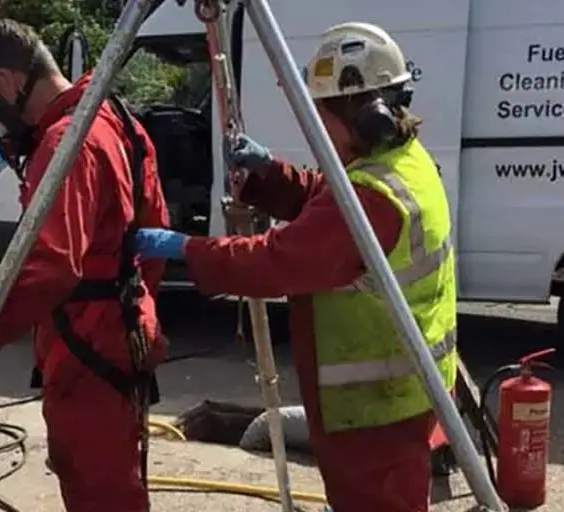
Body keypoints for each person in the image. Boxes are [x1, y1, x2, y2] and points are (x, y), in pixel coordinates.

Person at [136, 22, 457, 512]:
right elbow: (327, 200)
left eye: (322, 115)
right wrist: (269, 175)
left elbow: (277, 261)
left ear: (366, 114)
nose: (319, 129)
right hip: (400, 397)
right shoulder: (398, 163)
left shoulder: (377, 197)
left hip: (376, 411)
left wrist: (187, 249)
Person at [0, 19, 170, 511]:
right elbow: (153, 236)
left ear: (7, 83)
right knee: (115, 484)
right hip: (117, 344)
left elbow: (52, 264)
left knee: (99, 491)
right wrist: (137, 315)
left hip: (88, 355)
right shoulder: (116, 119)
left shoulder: (67, 142)